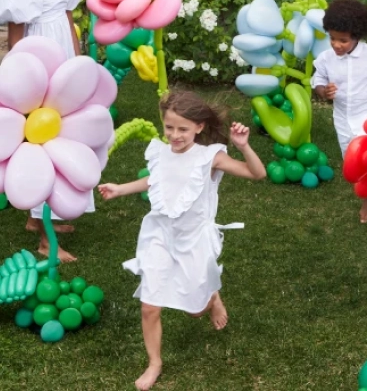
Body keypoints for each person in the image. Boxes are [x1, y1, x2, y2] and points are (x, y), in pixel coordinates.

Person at [98, 91, 266, 391]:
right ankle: (155, 363)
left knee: (194, 309)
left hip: (194, 240)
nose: (175, 135)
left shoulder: (209, 156)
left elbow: (257, 174)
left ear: (199, 127)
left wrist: (243, 147)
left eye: (183, 129)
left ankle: (211, 298)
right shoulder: (160, 152)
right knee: (150, 305)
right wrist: (120, 189)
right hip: (159, 235)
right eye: (169, 127)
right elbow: (155, 180)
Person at [0, 0, 84, 262]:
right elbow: (16, 36)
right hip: (36, 60)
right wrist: (19, 80)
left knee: (62, 129)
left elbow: (67, 17)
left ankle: (40, 218)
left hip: (63, 51)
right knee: (40, 134)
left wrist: (78, 59)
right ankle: (45, 238)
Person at [311, 0, 367, 223]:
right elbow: (317, 79)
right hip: (342, 119)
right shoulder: (326, 58)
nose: (336, 45)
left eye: (343, 40)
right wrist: (323, 91)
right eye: (332, 38)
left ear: (357, 35)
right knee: (351, 162)